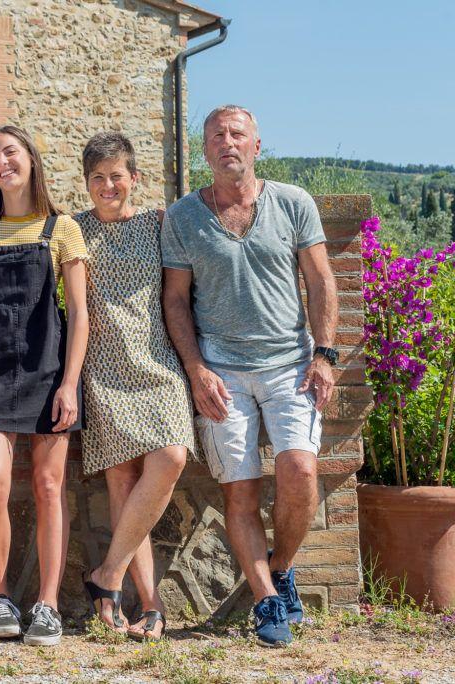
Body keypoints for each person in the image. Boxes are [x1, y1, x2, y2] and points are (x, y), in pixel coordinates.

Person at [162, 105, 338, 648]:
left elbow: (321, 281)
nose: (226, 142)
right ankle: (266, 602)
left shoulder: (292, 203)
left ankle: (280, 568)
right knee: (238, 492)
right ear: (205, 149)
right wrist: (196, 370)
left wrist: (325, 354)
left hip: (290, 364)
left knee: (300, 472)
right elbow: (175, 301)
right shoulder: (183, 217)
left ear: (257, 145)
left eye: (237, 134)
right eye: (216, 135)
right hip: (221, 373)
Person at [0, 125, 89, 646]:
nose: (1, 162)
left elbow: (81, 315)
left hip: (46, 370)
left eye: (10, 152)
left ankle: (48, 603)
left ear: (31, 160)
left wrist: (69, 383)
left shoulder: (61, 229)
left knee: (48, 487)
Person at [73, 132, 193, 641]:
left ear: (134, 178)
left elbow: (181, 295)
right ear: (87, 182)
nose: (107, 186)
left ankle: (107, 575)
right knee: (122, 484)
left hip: (158, 362)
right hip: (102, 365)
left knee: (170, 457)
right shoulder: (73, 232)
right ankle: (149, 607)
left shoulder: (159, 225)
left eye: (116, 176)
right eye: (97, 178)